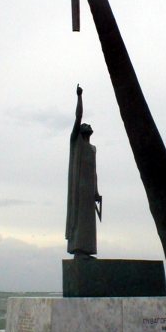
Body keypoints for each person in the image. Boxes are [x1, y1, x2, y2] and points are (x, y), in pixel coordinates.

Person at [65, 84, 102, 257]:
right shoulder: (76, 142)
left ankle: (87, 251)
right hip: (78, 190)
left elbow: (94, 173)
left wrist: (96, 192)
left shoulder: (93, 149)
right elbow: (78, 116)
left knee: (88, 223)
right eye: (84, 125)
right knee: (79, 220)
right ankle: (78, 249)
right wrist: (79, 96)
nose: (87, 125)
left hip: (88, 192)